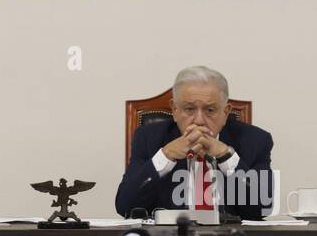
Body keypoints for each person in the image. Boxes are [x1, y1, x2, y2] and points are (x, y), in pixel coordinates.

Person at [115, 66, 273, 221]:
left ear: (225, 113)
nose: (199, 120)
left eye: (210, 110)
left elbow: (262, 208)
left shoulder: (255, 140)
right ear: (175, 110)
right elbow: (125, 207)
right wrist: (166, 156)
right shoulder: (148, 138)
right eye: (189, 109)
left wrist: (226, 156)